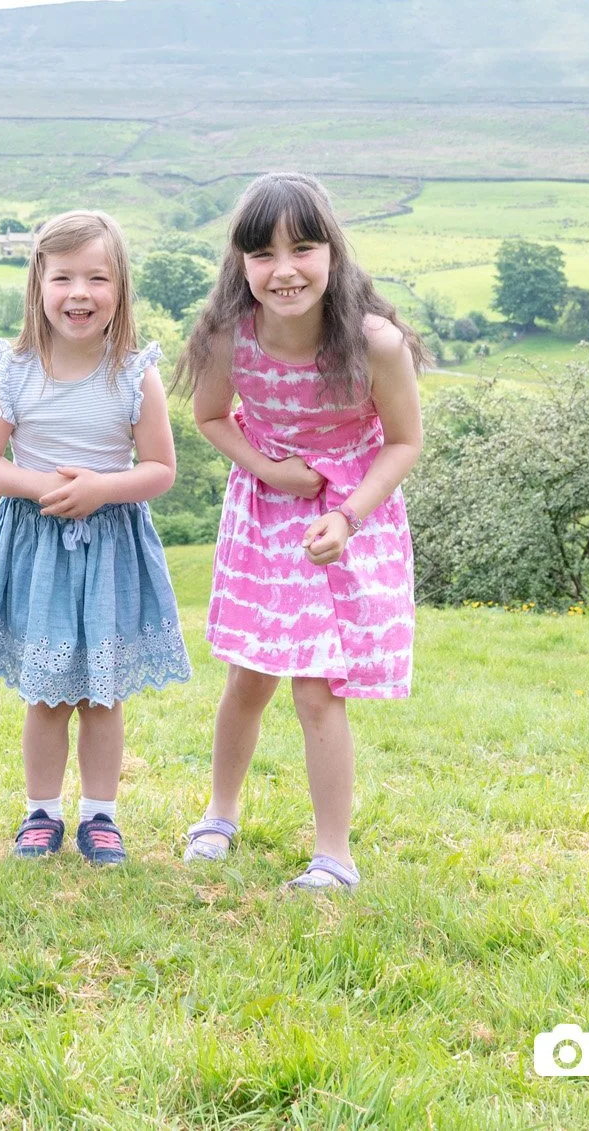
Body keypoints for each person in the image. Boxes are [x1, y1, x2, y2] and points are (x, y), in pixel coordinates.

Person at [173, 172, 426, 891]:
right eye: (264, 254)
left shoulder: (375, 342)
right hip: (266, 506)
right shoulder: (228, 336)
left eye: (303, 248)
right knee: (249, 675)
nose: (284, 270)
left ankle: (334, 855)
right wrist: (270, 469)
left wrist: (346, 515)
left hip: (351, 507)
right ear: (242, 263)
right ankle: (220, 813)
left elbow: (403, 441)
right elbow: (213, 417)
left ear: (333, 254)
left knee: (319, 686)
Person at [0, 210, 188, 865]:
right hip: (36, 548)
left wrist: (98, 489)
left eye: (97, 277)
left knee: (102, 693)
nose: (79, 293)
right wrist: (39, 487)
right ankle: (41, 812)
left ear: (121, 289)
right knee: (47, 693)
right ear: (39, 284)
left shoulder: (133, 373)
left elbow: (160, 469)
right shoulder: (14, 368)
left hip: (109, 545)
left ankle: (101, 816)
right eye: (63, 277)